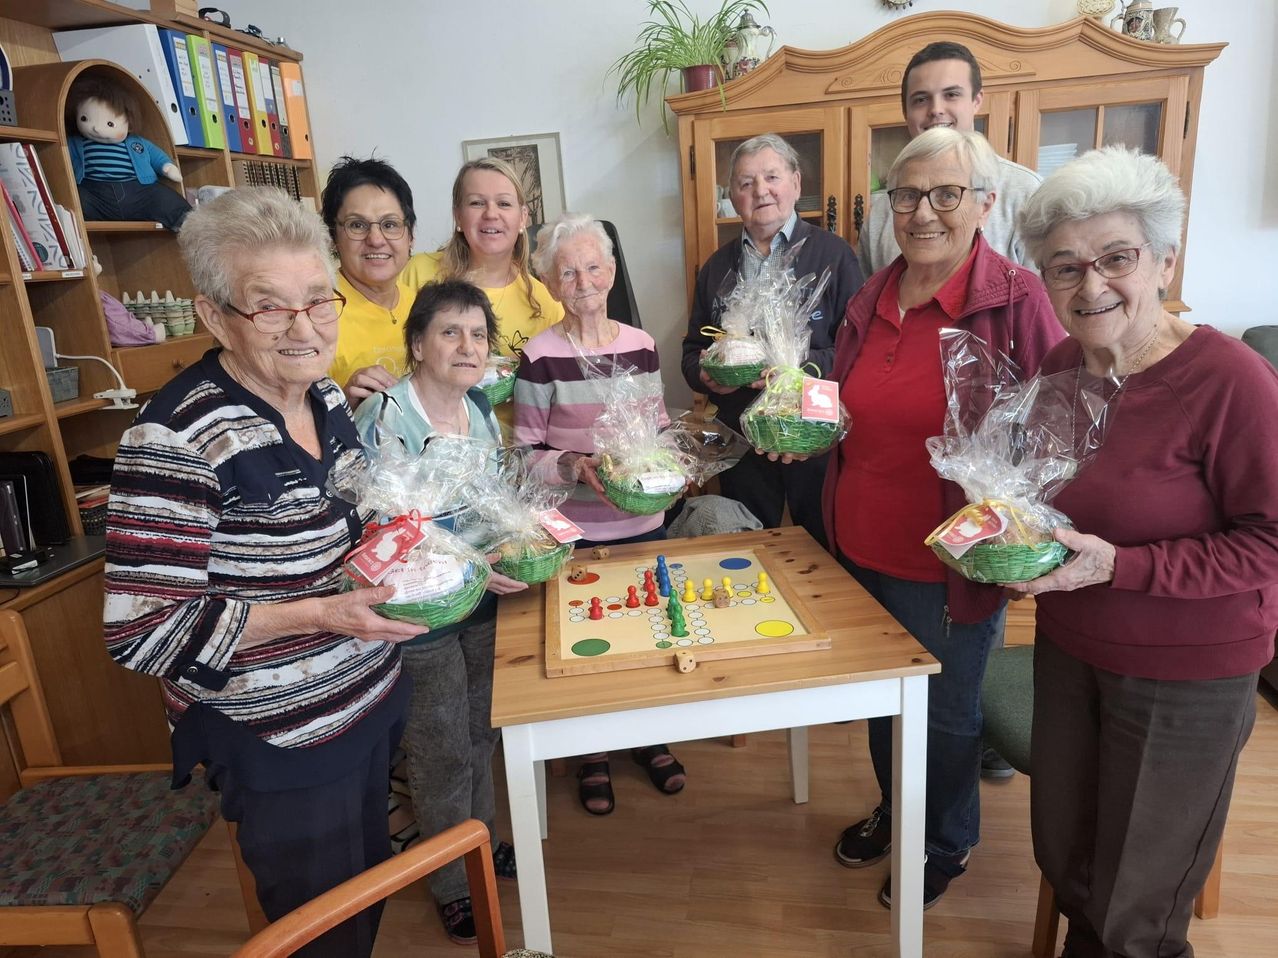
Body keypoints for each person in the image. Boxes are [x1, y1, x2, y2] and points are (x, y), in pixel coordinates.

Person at [103, 187, 422, 958]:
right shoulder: (176, 438)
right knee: (318, 927)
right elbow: (140, 632)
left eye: (318, 300)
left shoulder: (325, 398)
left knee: (364, 887)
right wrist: (320, 616)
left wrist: (456, 558)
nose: (304, 327)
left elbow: (356, 526)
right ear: (214, 317)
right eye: (269, 307)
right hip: (280, 733)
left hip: (366, 695)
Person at [1008, 146, 1278, 958]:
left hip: (1187, 672)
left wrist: (1124, 566)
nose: (1091, 287)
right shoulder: (1059, 366)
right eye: (1064, 267)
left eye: (1116, 258)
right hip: (1070, 649)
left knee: (1139, 903)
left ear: (1163, 258)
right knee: (1068, 856)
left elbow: (1269, 542)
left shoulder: (1233, 381)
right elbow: (1045, 491)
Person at [822, 128, 1063, 909]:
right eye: (907, 194)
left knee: (949, 713)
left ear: (985, 204)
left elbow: (1060, 427)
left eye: (946, 193)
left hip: (951, 565)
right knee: (885, 701)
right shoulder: (871, 293)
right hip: (858, 546)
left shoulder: (1017, 300)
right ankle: (899, 810)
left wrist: (1032, 530)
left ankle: (947, 839)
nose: (923, 211)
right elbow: (842, 401)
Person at [352, 279, 526, 945]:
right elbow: (378, 526)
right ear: (418, 343)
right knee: (440, 744)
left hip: (478, 597)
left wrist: (505, 550)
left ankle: (476, 845)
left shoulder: (478, 409)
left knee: (481, 729)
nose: (467, 345)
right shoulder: (386, 415)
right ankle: (452, 880)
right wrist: (467, 559)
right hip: (417, 608)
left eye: (478, 334)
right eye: (450, 331)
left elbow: (488, 505)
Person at [514, 212, 685, 815]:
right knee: (591, 636)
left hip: (643, 522)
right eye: (567, 271)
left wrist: (673, 465)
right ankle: (592, 753)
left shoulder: (641, 346)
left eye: (592, 267)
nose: (582, 280)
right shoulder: (539, 356)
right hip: (577, 531)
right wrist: (574, 466)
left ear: (611, 272)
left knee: (646, 630)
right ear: (551, 283)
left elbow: (659, 428)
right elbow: (524, 452)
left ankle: (648, 738)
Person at [680, 133, 863, 548]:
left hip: (813, 435)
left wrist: (795, 370)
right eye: (745, 183)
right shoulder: (715, 267)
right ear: (733, 197)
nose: (760, 190)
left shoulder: (834, 256)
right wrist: (708, 375)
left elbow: (856, 350)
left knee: (824, 547)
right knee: (747, 548)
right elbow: (691, 352)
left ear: (795, 184)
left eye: (771, 177)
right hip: (741, 439)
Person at [858, 41, 1041, 277]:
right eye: (921, 99)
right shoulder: (883, 210)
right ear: (906, 112)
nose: (936, 109)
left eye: (951, 94)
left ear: (976, 101)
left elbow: (1050, 304)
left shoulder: (1026, 194)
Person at [403, 156, 563, 362]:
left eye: (504, 203)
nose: (491, 214)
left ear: (523, 217)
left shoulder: (546, 302)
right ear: (458, 216)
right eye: (477, 203)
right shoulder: (417, 273)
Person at [320, 155, 418, 405]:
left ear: (410, 237)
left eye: (390, 224)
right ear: (333, 238)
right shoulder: (315, 313)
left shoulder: (423, 306)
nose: (375, 239)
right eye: (357, 225)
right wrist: (343, 403)